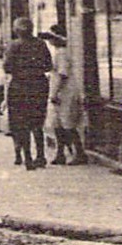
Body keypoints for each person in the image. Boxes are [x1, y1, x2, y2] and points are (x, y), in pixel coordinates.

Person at [4, 16, 52, 170]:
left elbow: (7, 67)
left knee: (21, 123)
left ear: (17, 31)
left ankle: (27, 158)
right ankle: (41, 156)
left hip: (20, 86)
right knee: (37, 122)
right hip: (39, 85)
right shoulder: (41, 44)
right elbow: (48, 66)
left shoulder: (14, 46)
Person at [44, 25, 85, 165]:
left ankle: (79, 153)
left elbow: (62, 74)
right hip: (60, 92)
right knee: (58, 124)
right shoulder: (58, 52)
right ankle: (60, 153)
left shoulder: (62, 53)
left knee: (68, 124)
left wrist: (54, 93)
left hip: (65, 92)